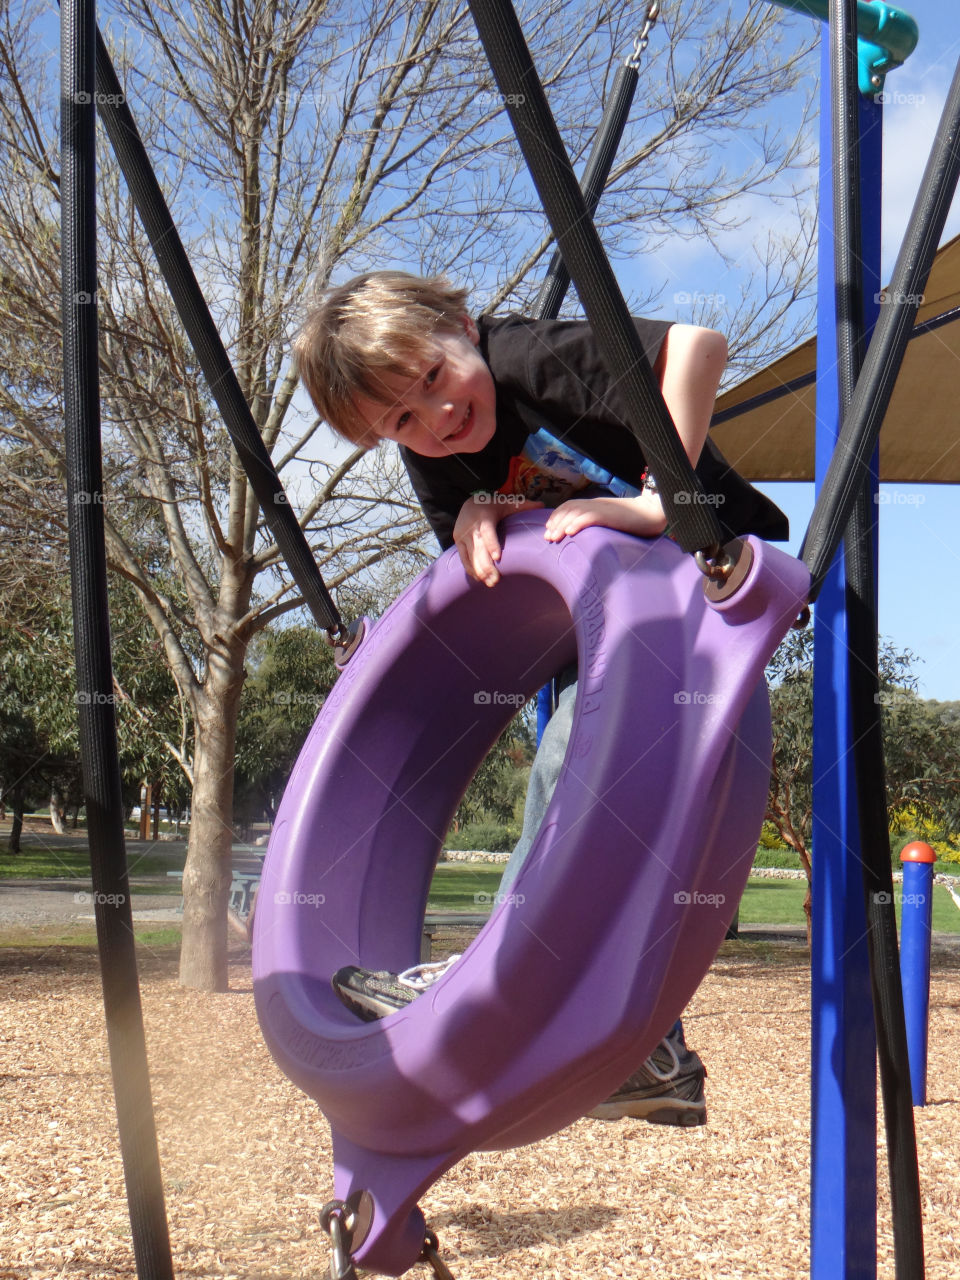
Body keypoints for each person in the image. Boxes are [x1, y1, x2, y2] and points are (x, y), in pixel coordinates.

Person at [294, 270, 787, 1126]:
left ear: (462, 323)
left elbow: (699, 348)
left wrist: (655, 498)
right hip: (595, 618)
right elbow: (478, 527)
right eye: (402, 421)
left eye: (436, 381)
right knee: (579, 797)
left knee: (571, 761)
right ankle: (651, 1047)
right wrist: (472, 514)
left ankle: (495, 976)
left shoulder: (525, 357)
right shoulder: (436, 450)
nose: (436, 420)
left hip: (692, 573)